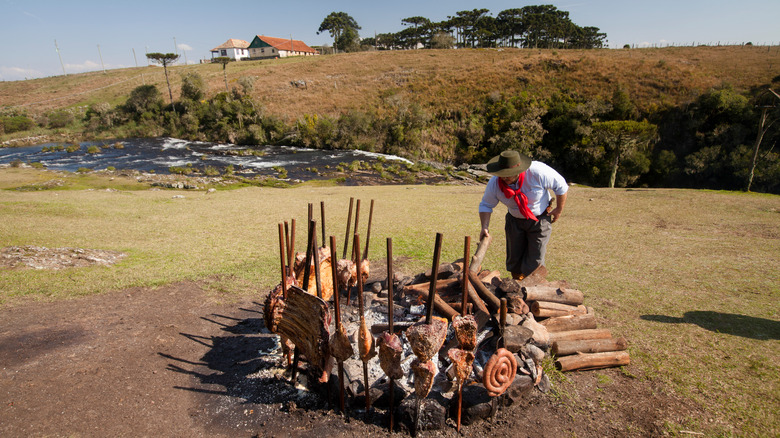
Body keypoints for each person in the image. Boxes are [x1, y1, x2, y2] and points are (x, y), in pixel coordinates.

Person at [478, 150, 568, 279]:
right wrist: (484, 227)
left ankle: (532, 289)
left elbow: (561, 187)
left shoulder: (538, 172)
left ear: (519, 170)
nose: (504, 178)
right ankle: (516, 286)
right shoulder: (494, 183)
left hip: (540, 219)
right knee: (514, 258)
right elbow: (486, 205)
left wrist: (559, 209)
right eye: (502, 174)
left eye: (508, 174)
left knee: (536, 257)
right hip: (514, 220)